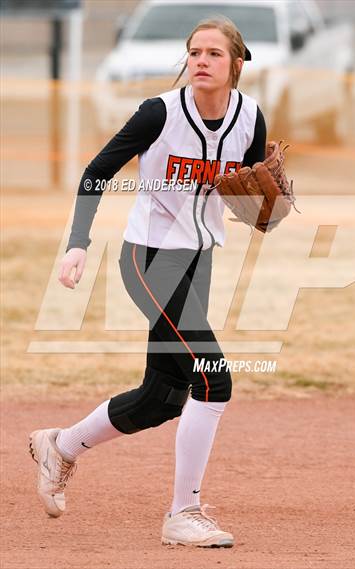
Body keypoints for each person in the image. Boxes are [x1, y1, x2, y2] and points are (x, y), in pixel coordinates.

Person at [29, 17, 266, 548]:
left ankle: (60, 445)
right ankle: (184, 513)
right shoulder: (160, 112)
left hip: (198, 262)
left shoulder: (250, 118)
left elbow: (250, 198)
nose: (201, 60)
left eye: (214, 53)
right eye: (194, 51)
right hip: (149, 258)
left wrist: (264, 207)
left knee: (162, 397)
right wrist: (78, 244)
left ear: (236, 64)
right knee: (213, 378)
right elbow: (97, 169)